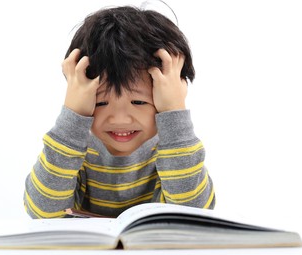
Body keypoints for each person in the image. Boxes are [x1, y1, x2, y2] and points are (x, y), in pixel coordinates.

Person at [24, 5, 215, 218]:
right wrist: (73, 113)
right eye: (101, 103)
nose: (120, 119)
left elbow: (194, 214)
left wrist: (174, 112)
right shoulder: (73, 150)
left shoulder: (174, 151)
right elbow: (43, 213)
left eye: (139, 102)